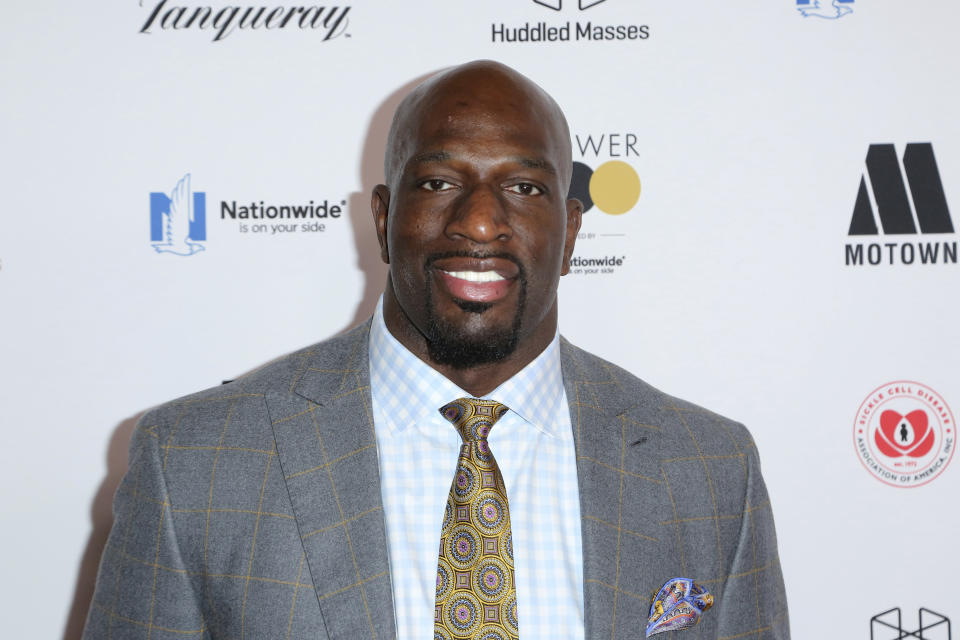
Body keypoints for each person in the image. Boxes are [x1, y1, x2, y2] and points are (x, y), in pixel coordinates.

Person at [83, 60, 789, 640]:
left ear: (571, 233)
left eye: (523, 186)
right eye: (440, 182)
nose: (479, 221)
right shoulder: (193, 465)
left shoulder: (709, 472)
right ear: (386, 218)